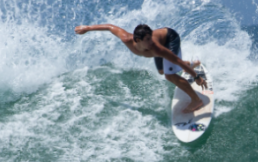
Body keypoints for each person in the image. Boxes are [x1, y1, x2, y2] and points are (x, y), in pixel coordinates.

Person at [74, 24, 208, 113]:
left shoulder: (157, 48)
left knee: (169, 75)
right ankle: (191, 63)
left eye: (150, 38)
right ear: (137, 40)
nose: (151, 42)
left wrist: (196, 76)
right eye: (147, 39)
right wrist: (87, 28)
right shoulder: (126, 39)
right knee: (162, 71)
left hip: (170, 39)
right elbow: (110, 27)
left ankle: (196, 100)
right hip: (162, 40)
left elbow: (176, 59)